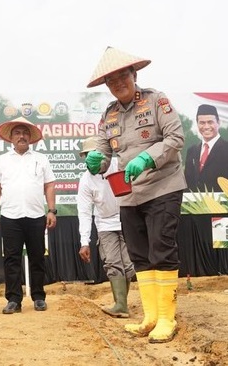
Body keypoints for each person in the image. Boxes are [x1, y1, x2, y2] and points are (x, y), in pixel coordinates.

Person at [85, 47, 187, 343]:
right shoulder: (109, 114)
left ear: (134, 75)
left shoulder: (157, 101)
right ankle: (151, 316)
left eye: (123, 75)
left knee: (161, 249)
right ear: (107, 86)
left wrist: (147, 158)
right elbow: (104, 151)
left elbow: (176, 138)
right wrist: (96, 159)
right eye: (111, 80)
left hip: (162, 186)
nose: (118, 82)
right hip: (129, 195)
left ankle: (167, 318)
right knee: (140, 256)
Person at [0, 116, 57, 314]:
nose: (22, 136)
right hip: (10, 216)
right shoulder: (1, 160)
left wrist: (51, 211)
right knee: (11, 258)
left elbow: (49, 185)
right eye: (17, 133)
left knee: (37, 257)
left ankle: (38, 297)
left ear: (31, 137)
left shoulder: (41, 159)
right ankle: (14, 300)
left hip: (36, 216)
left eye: (25, 133)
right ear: (11, 138)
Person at [77, 136, 135, 318]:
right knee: (112, 262)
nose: (91, 158)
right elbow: (84, 212)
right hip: (105, 224)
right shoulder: (86, 180)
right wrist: (84, 242)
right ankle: (120, 304)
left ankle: (121, 304)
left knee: (128, 264)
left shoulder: (120, 165)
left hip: (128, 219)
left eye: (95, 153)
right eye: (88, 155)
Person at [184, 104, 228, 192]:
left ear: (218, 123)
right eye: (202, 123)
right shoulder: (192, 151)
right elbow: (187, 183)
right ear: (197, 124)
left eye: (210, 122)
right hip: (195, 204)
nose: (206, 127)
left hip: (222, 204)